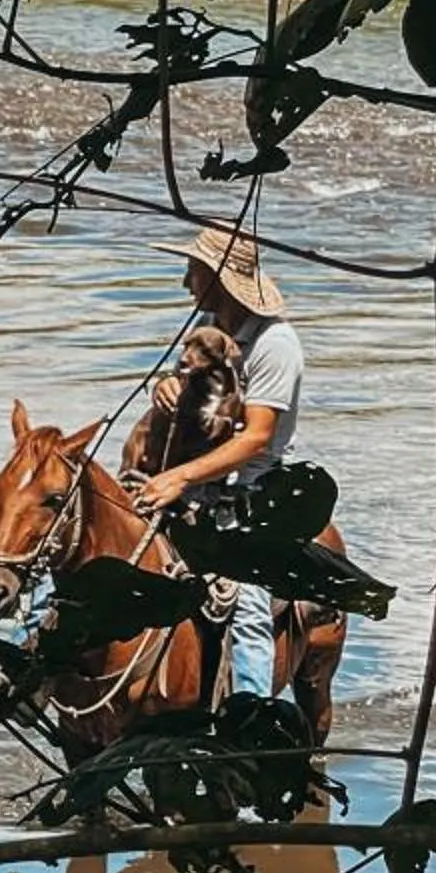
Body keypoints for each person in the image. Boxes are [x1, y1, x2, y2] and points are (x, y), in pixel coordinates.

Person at [125, 222, 305, 691]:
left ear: (217, 277)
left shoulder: (274, 345)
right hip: (194, 480)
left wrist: (179, 478)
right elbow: (190, 396)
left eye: (194, 270)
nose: (186, 282)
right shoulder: (208, 330)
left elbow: (256, 439)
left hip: (249, 491)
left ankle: (250, 711)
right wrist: (164, 387)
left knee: (246, 605)